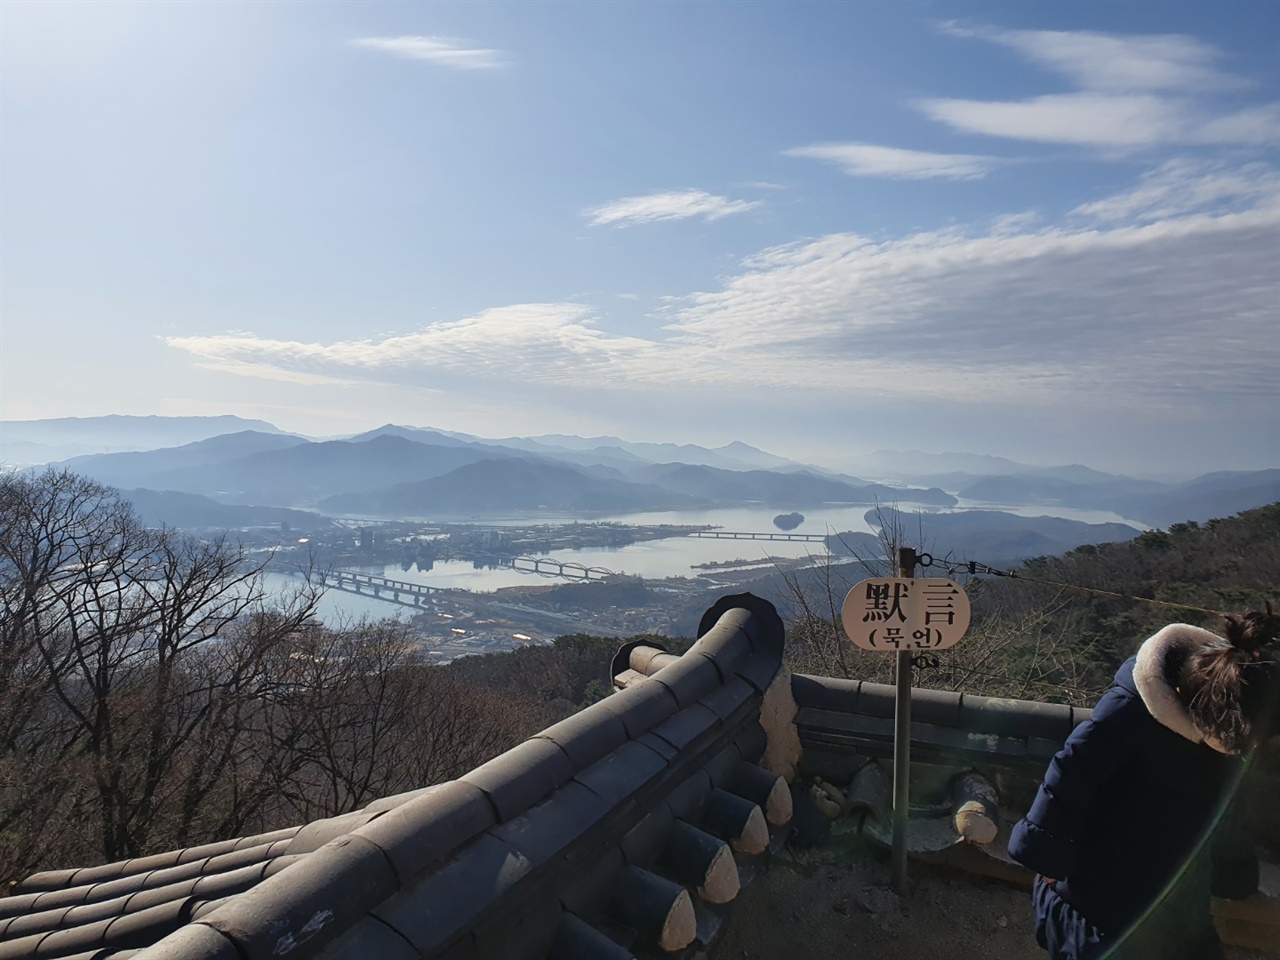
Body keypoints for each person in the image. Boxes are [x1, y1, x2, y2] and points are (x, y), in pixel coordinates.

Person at [1009, 608, 1280, 960]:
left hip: (1174, 895)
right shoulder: (1129, 711)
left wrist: (1234, 873)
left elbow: (1228, 807)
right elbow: (1071, 774)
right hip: (1094, 899)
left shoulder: (1229, 711)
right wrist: (1045, 857)